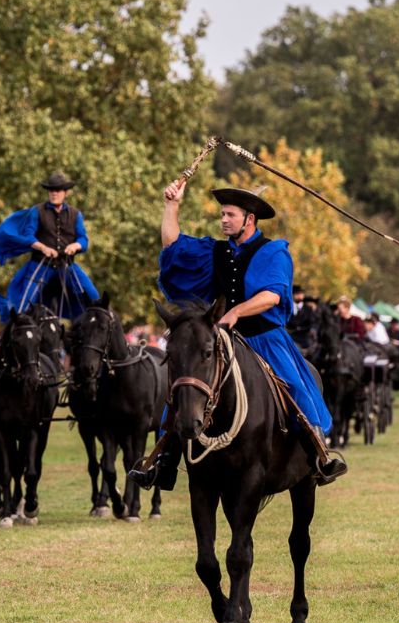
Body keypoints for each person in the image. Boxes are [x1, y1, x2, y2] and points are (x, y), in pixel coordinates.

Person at [142, 178, 346, 487]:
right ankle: (163, 460)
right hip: (226, 340)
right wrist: (172, 206)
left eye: (230, 215)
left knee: (296, 388)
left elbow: (273, 295)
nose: (223, 220)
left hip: (266, 338)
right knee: (184, 387)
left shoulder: (274, 252)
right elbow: (173, 248)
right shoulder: (217, 252)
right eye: (222, 214)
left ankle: (319, 455)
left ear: (249, 220)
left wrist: (235, 311)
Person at [0, 171, 99, 322]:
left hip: (66, 265)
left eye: (58, 190)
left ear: (65, 192)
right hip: (40, 264)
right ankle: (13, 335)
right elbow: (28, 235)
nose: (54, 193)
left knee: (93, 296)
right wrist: (43, 247)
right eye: (51, 190)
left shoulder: (75, 214)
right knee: (23, 304)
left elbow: (83, 239)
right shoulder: (37, 211)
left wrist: (76, 245)